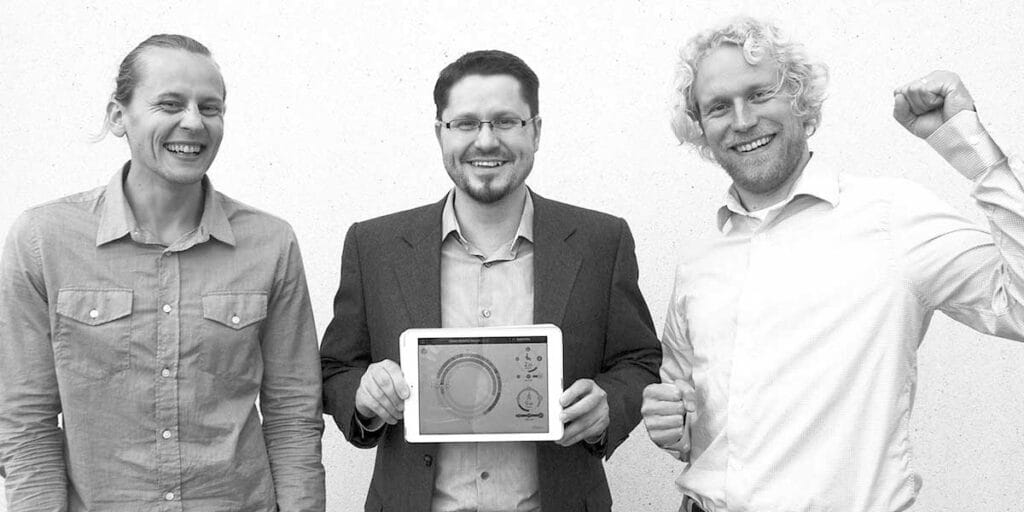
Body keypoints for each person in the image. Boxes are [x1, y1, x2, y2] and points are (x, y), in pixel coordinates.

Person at [641, 16, 1024, 512]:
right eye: (718, 107)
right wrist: (672, 424)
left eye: (759, 94)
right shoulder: (699, 261)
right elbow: (692, 418)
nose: (741, 121)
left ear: (799, 99)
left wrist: (968, 145)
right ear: (701, 127)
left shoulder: (892, 217)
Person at [320, 49, 661, 512]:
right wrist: (363, 397)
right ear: (440, 133)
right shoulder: (374, 245)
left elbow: (638, 360)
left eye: (505, 121)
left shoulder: (601, 241)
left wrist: (610, 406)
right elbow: (337, 367)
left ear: (536, 131)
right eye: (465, 123)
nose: (485, 141)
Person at [0, 34, 325, 510]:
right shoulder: (43, 240)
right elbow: (25, 419)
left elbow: (293, 413)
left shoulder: (270, 243)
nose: (193, 122)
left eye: (210, 108)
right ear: (118, 116)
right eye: (170, 103)